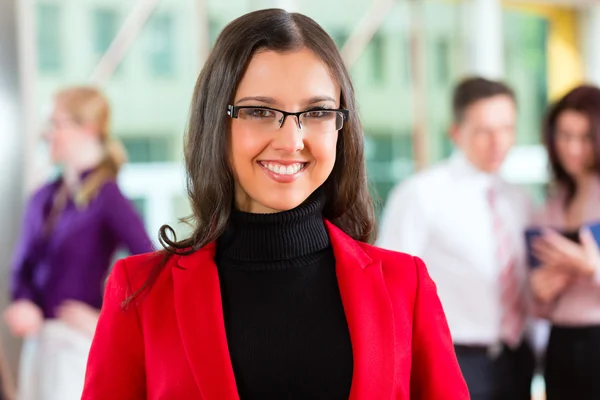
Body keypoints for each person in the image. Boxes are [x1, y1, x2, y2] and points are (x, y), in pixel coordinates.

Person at [81, 8, 468, 400]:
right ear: (217, 120)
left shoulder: (406, 286)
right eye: (260, 112)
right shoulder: (140, 293)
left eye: (317, 112)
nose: (291, 141)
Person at [379, 77, 535, 399]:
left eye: (507, 128)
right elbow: (390, 286)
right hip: (452, 359)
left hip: (516, 358)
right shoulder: (421, 194)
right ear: (456, 133)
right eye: (484, 131)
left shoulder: (520, 200)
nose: (498, 142)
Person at [3, 86, 154, 400]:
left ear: (88, 129)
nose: (48, 134)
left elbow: (149, 263)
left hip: (76, 347)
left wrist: (106, 320)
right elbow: (22, 266)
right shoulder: (44, 197)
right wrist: (23, 300)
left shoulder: (107, 197)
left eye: (56, 124)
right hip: (39, 344)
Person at [529, 85, 600, 399]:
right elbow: (540, 306)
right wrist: (541, 293)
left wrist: (591, 267)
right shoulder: (550, 208)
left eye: (584, 137)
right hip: (561, 344)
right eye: (564, 136)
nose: (572, 148)